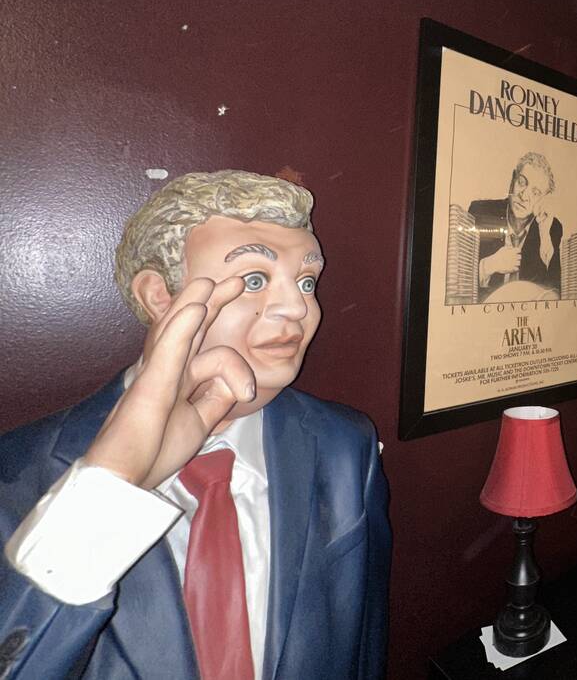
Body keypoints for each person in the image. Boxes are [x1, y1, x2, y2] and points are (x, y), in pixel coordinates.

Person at [0, 170, 390, 679]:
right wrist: (110, 483)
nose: (299, 307)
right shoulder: (15, 476)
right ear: (160, 295)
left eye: (307, 281)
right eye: (254, 279)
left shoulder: (345, 445)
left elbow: (363, 641)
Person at [470, 151, 563, 298]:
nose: (524, 196)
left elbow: (557, 292)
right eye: (521, 182)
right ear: (512, 180)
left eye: (536, 192)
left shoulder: (551, 228)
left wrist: (545, 236)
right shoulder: (480, 212)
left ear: (544, 199)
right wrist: (489, 265)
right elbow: (456, 278)